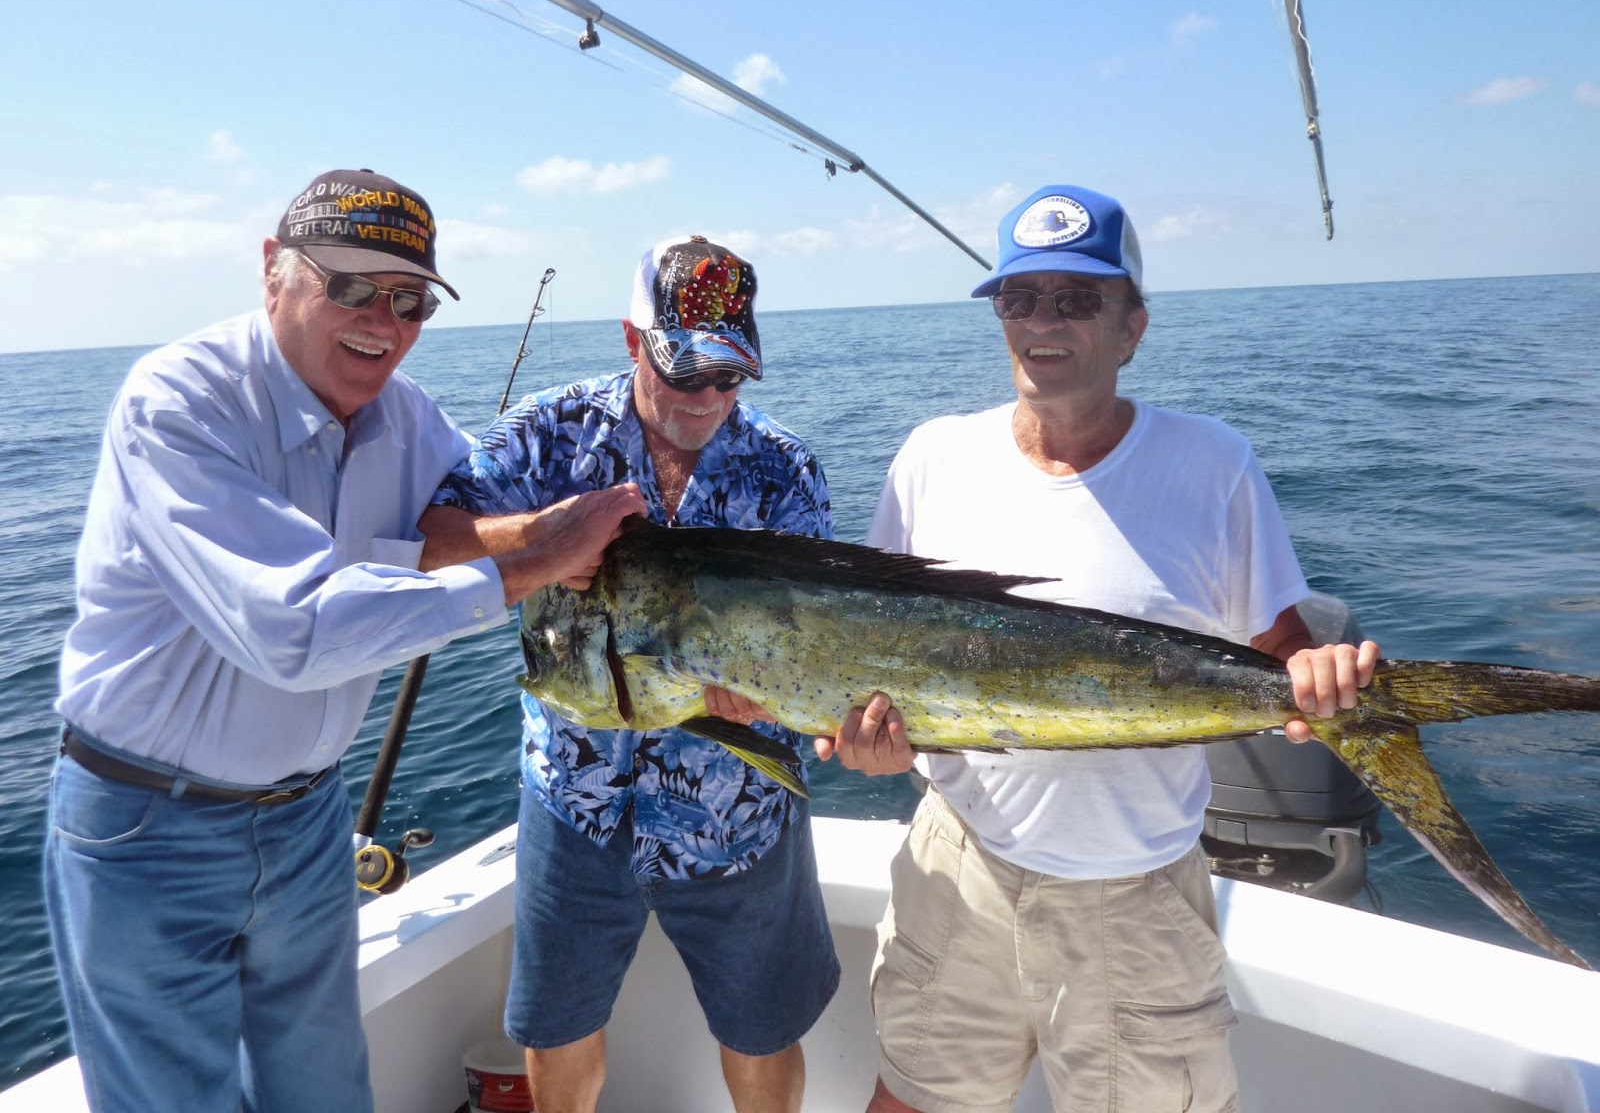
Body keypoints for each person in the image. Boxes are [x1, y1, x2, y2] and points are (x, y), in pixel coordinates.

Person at [45, 168, 644, 1113]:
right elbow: (296, 629)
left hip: (307, 824)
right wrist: (530, 564)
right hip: (147, 825)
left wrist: (640, 459)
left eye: (411, 301)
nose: (385, 320)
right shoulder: (180, 401)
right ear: (273, 271)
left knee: (325, 1092)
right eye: (353, 286)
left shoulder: (408, 419)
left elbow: (491, 510)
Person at [823, 184, 1381, 1113]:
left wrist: (1318, 686)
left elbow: (1280, 650)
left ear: (1132, 328)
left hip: (1138, 890)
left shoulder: (1215, 465)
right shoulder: (930, 459)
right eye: (1020, 298)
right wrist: (868, 747)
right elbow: (882, 667)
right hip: (959, 866)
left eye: (1079, 299)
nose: (1045, 322)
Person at [421, 234, 839, 1113]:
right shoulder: (548, 435)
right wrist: (543, 541)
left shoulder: (786, 468)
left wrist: (763, 701)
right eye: (684, 374)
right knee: (557, 1027)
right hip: (574, 801)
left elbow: (808, 647)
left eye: (730, 378)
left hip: (738, 805)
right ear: (629, 338)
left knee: (761, 1031)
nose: (708, 399)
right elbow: (429, 543)